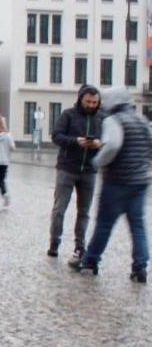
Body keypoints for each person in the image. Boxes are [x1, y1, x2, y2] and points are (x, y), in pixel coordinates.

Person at [69, 87, 150, 283]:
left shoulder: (114, 120)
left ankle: (90, 260)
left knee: (104, 224)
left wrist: (97, 162)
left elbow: (112, 145)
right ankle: (140, 267)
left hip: (117, 180)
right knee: (138, 226)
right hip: (140, 182)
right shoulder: (142, 120)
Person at [48, 84, 104, 261]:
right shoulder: (68, 115)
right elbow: (56, 136)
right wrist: (76, 141)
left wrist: (99, 144)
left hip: (89, 170)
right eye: (88, 101)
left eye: (94, 102)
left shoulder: (102, 118)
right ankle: (54, 242)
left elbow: (109, 141)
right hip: (67, 168)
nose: (91, 105)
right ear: (80, 99)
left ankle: (80, 246)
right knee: (59, 209)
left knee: (84, 212)